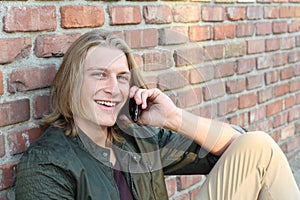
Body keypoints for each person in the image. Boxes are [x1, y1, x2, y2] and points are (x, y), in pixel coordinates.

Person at [15, 29, 300, 200]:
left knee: (259, 146)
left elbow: (234, 145)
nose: (113, 89)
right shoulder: (47, 163)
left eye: (122, 77)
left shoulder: (136, 139)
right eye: (100, 75)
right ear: (73, 81)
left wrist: (172, 118)